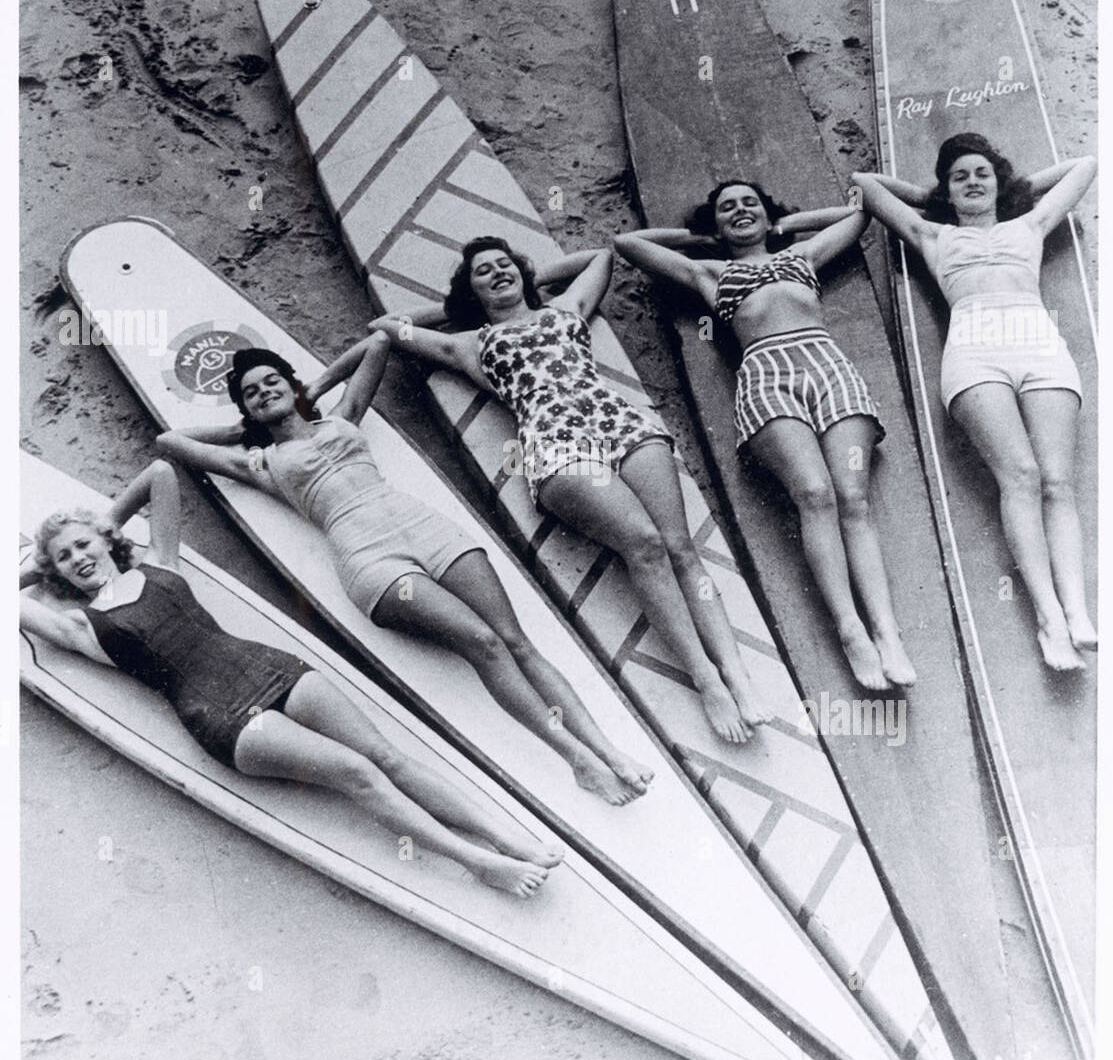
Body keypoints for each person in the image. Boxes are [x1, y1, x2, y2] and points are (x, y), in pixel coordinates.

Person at [20, 461, 562, 896]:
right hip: (221, 717)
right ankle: (479, 864)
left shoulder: (161, 563)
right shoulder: (78, 626)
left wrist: (96, 527)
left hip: (269, 665)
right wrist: (36, 569)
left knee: (386, 755)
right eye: (64, 559)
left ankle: (503, 836)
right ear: (58, 573)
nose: (78, 558)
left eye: (83, 545)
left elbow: (161, 473)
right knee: (356, 773)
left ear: (105, 539)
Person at [156, 338, 652, 804]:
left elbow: (377, 344)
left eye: (271, 382)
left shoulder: (343, 418)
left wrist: (311, 390)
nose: (263, 392)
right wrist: (241, 428)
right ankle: (578, 760)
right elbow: (171, 441)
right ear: (247, 410)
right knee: (482, 644)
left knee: (517, 642)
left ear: (291, 382)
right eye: (251, 394)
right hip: (371, 559)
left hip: (425, 528)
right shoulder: (259, 461)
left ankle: (607, 750)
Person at [369, 240, 771, 744]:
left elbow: (601, 256)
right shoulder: (470, 342)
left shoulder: (566, 308)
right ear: (470, 293)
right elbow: (388, 327)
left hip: (618, 422)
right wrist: (453, 311)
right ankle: (707, 680)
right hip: (557, 443)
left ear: (523, 271)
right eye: (482, 273)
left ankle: (737, 672)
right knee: (643, 546)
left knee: (681, 547)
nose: (498, 273)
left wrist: (534, 279)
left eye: (505, 264)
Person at [614, 183, 915, 693]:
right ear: (716, 223)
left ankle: (888, 635)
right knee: (814, 495)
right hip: (766, 374)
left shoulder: (800, 254)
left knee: (854, 498)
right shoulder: (709, 272)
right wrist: (702, 234)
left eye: (749, 202)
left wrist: (782, 226)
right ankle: (850, 629)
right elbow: (630, 243)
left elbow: (858, 215)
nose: (740, 211)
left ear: (766, 212)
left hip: (828, 367)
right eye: (727, 207)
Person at [852, 134, 1097, 671]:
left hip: (1038, 343)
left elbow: (1086, 167)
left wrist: (1012, 186)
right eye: (959, 176)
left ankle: (1078, 609)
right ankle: (1048, 617)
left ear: (998, 180)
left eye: (981, 173)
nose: (972, 182)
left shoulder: (1028, 225)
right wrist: (929, 193)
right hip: (974, 351)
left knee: (1058, 481)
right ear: (946, 189)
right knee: (1022, 477)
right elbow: (866, 186)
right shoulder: (932, 233)